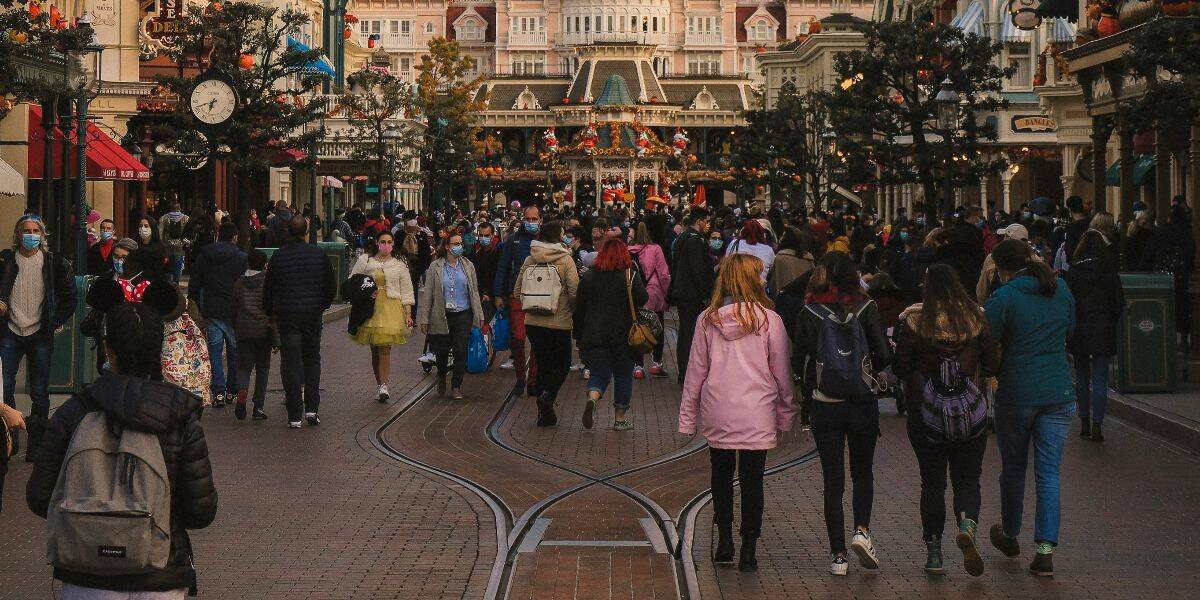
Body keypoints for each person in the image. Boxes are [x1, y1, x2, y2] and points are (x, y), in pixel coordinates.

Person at [26, 300, 217, 599]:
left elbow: (39, 497)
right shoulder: (180, 417)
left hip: (85, 575)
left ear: (108, 349)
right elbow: (200, 511)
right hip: (160, 574)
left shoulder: (73, 413)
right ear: (159, 350)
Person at [678, 253, 795, 572]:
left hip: (718, 409)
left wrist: (688, 418)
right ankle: (749, 547)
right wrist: (786, 413)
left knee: (721, 473)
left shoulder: (707, 319)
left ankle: (725, 539)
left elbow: (695, 372)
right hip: (757, 411)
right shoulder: (771, 320)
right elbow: (782, 372)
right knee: (753, 480)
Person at [893, 264, 1000, 576]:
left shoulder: (915, 321)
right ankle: (967, 524)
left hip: (926, 416)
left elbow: (900, 366)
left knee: (933, 482)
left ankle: (934, 551)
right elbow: (992, 362)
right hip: (970, 414)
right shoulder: (976, 320)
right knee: (968, 478)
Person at [792, 251, 892, 576]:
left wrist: (808, 390)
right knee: (863, 473)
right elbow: (884, 353)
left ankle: (838, 556)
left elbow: (799, 361)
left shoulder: (810, 311)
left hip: (825, 404)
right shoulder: (866, 307)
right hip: (862, 403)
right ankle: (861, 530)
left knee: (832, 480)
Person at [984, 239, 1076, 577]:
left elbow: (988, 342)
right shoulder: (1060, 288)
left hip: (1017, 392)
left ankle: (1010, 533)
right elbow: (1072, 328)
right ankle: (1045, 548)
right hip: (1057, 390)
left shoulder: (1004, 298)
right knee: (1049, 472)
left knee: (1013, 468)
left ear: (1001, 268)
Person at [0, 215, 76, 461]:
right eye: (26, 230)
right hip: (10, 330)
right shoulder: (6, 261)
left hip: (39, 333)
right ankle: (9, 438)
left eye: (35, 231)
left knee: (40, 392)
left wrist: (53, 323)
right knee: (5, 386)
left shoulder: (54, 263)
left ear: (43, 236)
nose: (30, 235)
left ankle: (36, 445)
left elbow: (69, 298)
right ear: (17, 234)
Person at [263, 215, 336, 428]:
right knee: (312, 358)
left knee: (290, 361)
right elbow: (330, 285)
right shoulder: (319, 254)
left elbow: (269, 288)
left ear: (287, 231)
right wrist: (322, 305)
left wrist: (271, 312)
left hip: (288, 315)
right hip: (312, 315)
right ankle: (312, 408)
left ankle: (294, 414)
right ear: (306, 232)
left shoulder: (279, 256)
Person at [574, 238, 647, 430]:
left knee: (598, 373)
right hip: (624, 336)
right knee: (623, 376)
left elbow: (579, 309)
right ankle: (620, 419)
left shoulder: (589, 277)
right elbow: (643, 298)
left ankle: (593, 397)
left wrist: (578, 335)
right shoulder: (629, 275)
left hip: (595, 334)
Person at [513, 221, 579, 426]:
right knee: (562, 364)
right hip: (559, 322)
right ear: (557, 236)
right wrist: (571, 309)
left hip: (533, 322)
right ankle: (548, 396)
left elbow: (517, 291)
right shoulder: (566, 259)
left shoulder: (529, 258)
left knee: (542, 362)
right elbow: (575, 291)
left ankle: (544, 413)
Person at [1063, 230, 1124, 442]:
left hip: (1080, 328)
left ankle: (1084, 422)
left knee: (1081, 375)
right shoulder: (1109, 273)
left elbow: (1068, 303)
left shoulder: (1073, 272)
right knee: (1100, 377)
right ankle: (1098, 424)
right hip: (1103, 327)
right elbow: (1118, 303)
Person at [417, 232, 485, 400]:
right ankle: (441, 375)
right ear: (447, 246)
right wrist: (424, 318)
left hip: (464, 314)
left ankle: (456, 385)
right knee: (441, 352)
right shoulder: (435, 267)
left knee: (460, 350)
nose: (459, 246)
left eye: (460, 243)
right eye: (455, 243)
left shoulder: (468, 265)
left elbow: (474, 291)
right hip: (442, 314)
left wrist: (479, 314)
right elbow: (429, 294)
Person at [187, 222, 247, 408]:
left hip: (211, 308)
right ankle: (232, 389)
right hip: (233, 310)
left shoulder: (205, 255)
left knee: (214, 350)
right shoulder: (240, 257)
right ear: (235, 237)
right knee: (234, 351)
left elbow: (195, 281)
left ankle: (218, 392)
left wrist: (194, 302)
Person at [351, 231, 415, 402]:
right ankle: (379, 384)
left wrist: (408, 312)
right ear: (377, 243)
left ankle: (384, 386)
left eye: (389, 242)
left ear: (393, 244)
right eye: (383, 241)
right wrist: (365, 292)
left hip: (391, 308)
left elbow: (407, 290)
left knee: (385, 347)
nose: (386, 245)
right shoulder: (365, 261)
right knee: (375, 349)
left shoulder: (399, 264)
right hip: (371, 308)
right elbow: (352, 281)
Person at [494, 205, 543, 396]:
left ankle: (533, 380)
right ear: (523, 219)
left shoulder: (546, 240)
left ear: (540, 219)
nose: (531, 222)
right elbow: (503, 267)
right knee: (519, 338)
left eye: (534, 219)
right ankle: (521, 378)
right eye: (528, 219)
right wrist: (499, 293)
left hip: (540, 297)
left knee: (537, 341)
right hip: (517, 295)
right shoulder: (513, 241)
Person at [669, 208, 715, 384]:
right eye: (706, 221)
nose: (707, 225)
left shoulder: (683, 237)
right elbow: (698, 270)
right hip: (691, 295)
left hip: (683, 292)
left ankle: (684, 370)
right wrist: (705, 294)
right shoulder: (695, 241)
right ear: (700, 221)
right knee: (690, 333)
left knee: (685, 332)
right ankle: (687, 372)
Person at [1139, 205, 1195, 351]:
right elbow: (1191, 258)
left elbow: (1147, 258)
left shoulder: (1160, 234)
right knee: (1182, 311)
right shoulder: (1188, 235)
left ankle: (1164, 340)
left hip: (1160, 280)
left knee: (1163, 311)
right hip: (1182, 280)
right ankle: (1183, 341)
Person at [232, 250, 275, 421]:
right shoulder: (268, 282)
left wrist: (235, 325)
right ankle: (258, 407)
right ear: (265, 264)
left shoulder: (239, 283)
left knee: (244, 367)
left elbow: (233, 308)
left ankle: (242, 395)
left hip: (243, 329)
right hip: (263, 330)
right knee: (263, 368)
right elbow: (272, 307)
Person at [627, 222, 671, 379]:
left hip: (635, 294)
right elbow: (663, 274)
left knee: (637, 327)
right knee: (657, 327)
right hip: (654, 293)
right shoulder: (656, 249)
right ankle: (656, 363)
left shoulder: (629, 250)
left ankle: (638, 366)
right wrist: (666, 293)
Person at [768, 226, 815, 299]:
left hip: (783, 301)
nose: (780, 238)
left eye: (783, 236)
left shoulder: (779, 259)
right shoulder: (808, 259)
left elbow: (774, 283)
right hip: (804, 300)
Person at [158, 203, 189, 283]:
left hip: (167, 246)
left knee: (167, 267)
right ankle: (176, 285)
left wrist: (161, 244)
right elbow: (189, 233)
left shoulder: (164, 218)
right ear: (180, 208)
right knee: (178, 268)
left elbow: (160, 233)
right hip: (180, 246)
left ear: (170, 209)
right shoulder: (185, 218)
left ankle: (168, 284)